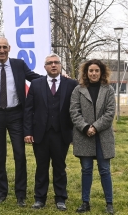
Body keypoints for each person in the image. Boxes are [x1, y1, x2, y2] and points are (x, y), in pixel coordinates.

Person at [0, 37, 41, 207]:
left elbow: (35, 78)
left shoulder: (19, 65)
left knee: (19, 155)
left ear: (9, 48)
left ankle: (21, 195)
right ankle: (2, 193)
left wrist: (55, 78)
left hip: (16, 115)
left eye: (4, 47)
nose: (2, 50)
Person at [24, 53, 78, 211]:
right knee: (41, 167)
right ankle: (39, 198)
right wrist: (27, 131)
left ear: (61, 66)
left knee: (59, 167)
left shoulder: (71, 84)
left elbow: (76, 109)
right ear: (44, 67)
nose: (53, 65)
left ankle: (61, 198)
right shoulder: (36, 84)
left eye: (56, 62)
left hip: (62, 133)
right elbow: (29, 110)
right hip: (40, 133)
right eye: (50, 63)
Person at [70, 59, 116, 215]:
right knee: (86, 170)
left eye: (97, 70)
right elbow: (74, 112)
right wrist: (85, 127)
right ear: (86, 73)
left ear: (101, 72)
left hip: (102, 135)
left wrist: (95, 127)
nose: (94, 73)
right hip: (84, 135)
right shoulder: (78, 90)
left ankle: (109, 203)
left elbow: (110, 113)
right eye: (91, 71)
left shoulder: (108, 90)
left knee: (105, 170)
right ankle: (85, 202)